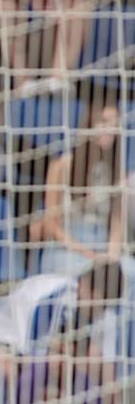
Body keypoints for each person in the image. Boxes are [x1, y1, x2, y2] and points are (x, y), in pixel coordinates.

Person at [33, 94, 125, 277]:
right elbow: (51, 225)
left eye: (115, 125)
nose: (109, 130)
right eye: (104, 122)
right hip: (68, 246)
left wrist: (111, 254)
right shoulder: (61, 166)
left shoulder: (116, 173)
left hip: (101, 245)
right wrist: (87, 253)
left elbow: (117, 222)